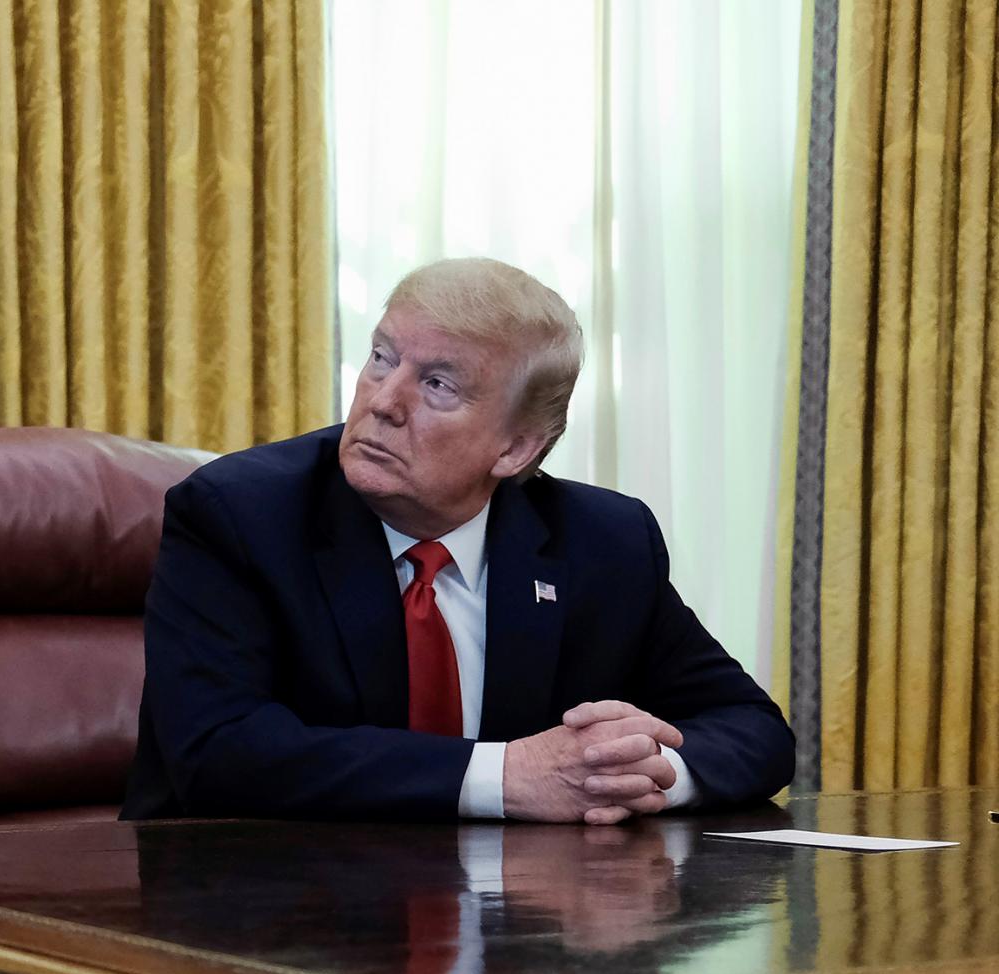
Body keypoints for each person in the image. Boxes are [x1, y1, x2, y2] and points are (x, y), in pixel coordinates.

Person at [123, 257, 792, 824]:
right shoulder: (239, 514)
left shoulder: (602, 542)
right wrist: (509, 775)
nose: (384, 400)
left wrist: (639, 775)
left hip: (513, 931)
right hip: (261, 931)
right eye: (382, 358)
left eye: (437, 384)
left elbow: (751, 728)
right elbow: (218, 750)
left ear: (516, 447)